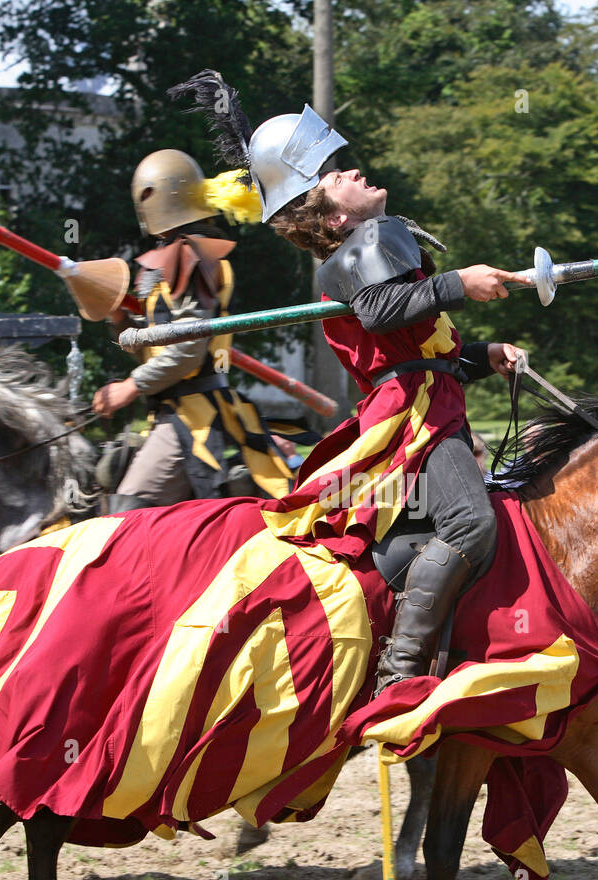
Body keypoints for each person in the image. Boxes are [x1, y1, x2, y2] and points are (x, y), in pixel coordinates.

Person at [172, 72, 526, 696]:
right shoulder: (359, 248)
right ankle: (400, 673)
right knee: (471, 526)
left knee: (438, 530)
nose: (353, 171)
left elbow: (412, 356)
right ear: (331, 215)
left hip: (424, 402)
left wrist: (479, 355)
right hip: (413, 422)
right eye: (337, 175)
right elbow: (382, 314)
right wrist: (458, 283)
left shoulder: (370, 244)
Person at [95, 148, 293, 510]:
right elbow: (154, 344)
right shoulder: (176, 255)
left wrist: (130, 387)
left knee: (125, 514)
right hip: (173, 411)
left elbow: (189, 347)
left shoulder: (191, 255)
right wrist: (119, 319)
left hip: (195, 414)